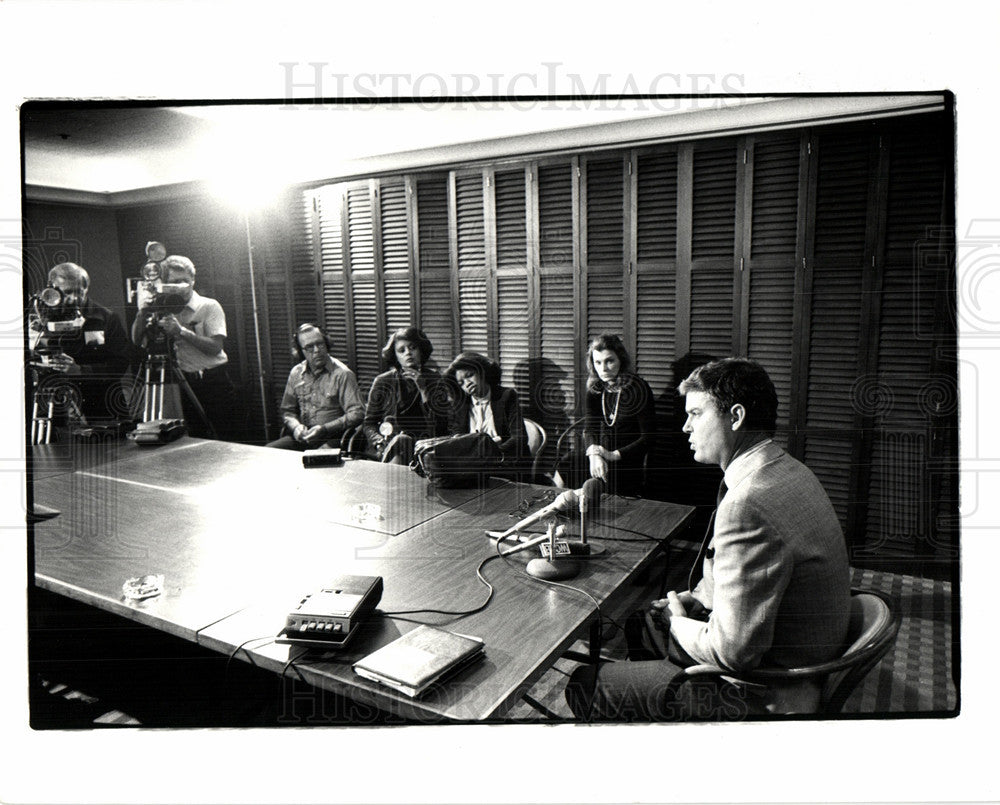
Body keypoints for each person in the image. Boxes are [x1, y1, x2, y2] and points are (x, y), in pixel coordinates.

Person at [566, 357, 852, 720]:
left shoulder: (749, 504)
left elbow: (734, 653)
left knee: (584, 683)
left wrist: (677, 621)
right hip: (802, 652)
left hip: (768, 690)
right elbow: (756, 573)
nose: (685, 427)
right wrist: (698, 595)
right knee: (641, 621)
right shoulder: (786, 469)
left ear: (735, 417)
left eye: (696, 414)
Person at [130, 255, 237, 440]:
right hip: (182, 382)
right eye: (174, 282)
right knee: (194, 438)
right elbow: (137, 340)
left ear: (193, 280)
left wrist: (181, 331)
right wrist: (142, 311)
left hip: (213, 381)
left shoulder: (209, 306)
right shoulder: (161, 307)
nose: (181, 286)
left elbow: (216, 347)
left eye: (184, 281)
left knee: (225, 436)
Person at [29, 262, 133, 425]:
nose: (75, 298)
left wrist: (81, 370)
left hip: (101, 404)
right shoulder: (39, 320)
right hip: (54, 405)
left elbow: (121, 362)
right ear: (53, 290)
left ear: (87, 287)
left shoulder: (107, 318)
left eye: (80, 291)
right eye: (68, 292)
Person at [266, 323, 364, 450]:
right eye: (309, 347)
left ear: (327, 344)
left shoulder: (343, 374)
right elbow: (287, 411)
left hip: (333, 437)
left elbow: (357, 413)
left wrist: (324, 429)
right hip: (303, 437)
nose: (317, 350)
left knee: (316, 460)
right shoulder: (296, 373)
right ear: (300, 352)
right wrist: (296, 427)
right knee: (268, 452)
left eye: (320, 344)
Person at [582, 334, 656, 497]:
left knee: (603, 481)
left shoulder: (638, 388)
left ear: (621, 360)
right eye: (598, 362)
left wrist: (613, 455)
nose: (603, 369)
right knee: (568, 462)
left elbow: (649, 437)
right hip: (601, 454)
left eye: (609, 361)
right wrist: (594, 454)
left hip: (627, 458)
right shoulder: (595, 389)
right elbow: (589, 429)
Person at [362, 326, 448, 464]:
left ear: (421, 350)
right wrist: (378, 442)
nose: (408, 353)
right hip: (388, 446)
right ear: (395, 356)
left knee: (404, 442)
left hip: (424, 447)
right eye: (401, 350)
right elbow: (369, 423)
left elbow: (440, 425)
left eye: (412, 348)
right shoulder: (383, 381)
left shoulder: (435, 380)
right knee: (401, 443)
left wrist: (423, 389)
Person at [443, 351, 529, 477]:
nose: (467, 384)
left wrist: (491, 452)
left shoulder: (506, 396)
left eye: (470, 375)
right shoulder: (459, 406)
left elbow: (520, 438)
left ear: (483, 372)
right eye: (461, 383)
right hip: (473, 466)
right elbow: (456, 440)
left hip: (506, 463)